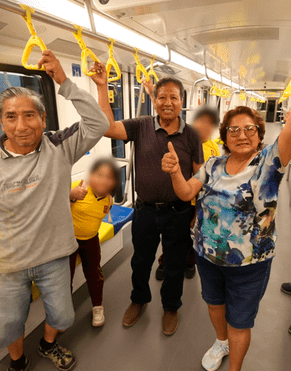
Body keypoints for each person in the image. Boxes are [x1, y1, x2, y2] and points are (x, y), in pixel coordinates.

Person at [0, 52, 110, 371]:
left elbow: (99, 123)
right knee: (7, 325)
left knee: (63, 315)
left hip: (55, 255)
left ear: (43, 120)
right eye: (11, 116)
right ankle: (17, 362)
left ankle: (48, 344)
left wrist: (63, 80)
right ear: (1, 121)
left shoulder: (58, 145)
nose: (21, 125)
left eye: (30, 115)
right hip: (6, 262)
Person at [162, 107, 290, 371]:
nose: (241, 135)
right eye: (233, 130)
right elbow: (186, 192)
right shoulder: (212, 165)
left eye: (249, 129)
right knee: (214, 304)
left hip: (249, 264)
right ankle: (221, 342)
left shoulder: (268, 163)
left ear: (259, 134)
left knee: (240, 321)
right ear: (225, 136)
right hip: (207, 256)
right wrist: (175, 171)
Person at [95, 75, 204, 335]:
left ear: (181, 102)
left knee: (175, 263)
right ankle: (139, 299)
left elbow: (200, 175)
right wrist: (101, 86)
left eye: (174, 97)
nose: (168, 102)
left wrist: (197, 211)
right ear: (155, 101)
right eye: (162, 97)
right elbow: (107, 127)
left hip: (179, 211)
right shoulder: (140, 126)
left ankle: (170, 307)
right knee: (141, 261)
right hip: (144, 210)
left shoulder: (191, 135)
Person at [155, 106, 221, 280]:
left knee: (194, 235)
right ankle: (164, 261)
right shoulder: (184, 143)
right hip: (181, 199)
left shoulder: (213, 147)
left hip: (202, 200)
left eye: (210, 125)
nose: (205, 128)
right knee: (174, 236)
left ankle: (190, 262)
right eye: (201, 123)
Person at [68, 159, 119, 327]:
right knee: (64, 278)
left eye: (109, 177)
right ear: (91, 176)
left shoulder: (108, 200)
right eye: (100, 175)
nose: (104, 180)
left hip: (90, 239)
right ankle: (63, 313)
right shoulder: (78, 186)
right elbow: (55, 205)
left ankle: (97, 307)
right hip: (68, 241)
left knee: (94, 275)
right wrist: (70, 195)